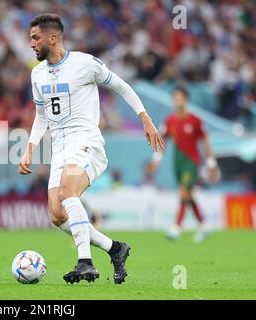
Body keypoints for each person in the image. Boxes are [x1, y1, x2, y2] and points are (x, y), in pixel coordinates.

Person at [18, 14, 164, 284]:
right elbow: (41, 114)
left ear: (53, 38)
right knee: (56, 214)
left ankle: (85, 262)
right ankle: (115, 248)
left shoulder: (84, 64)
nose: (31, 44)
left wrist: (145, 118)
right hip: (59, 146)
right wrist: (30, 148)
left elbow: (121, 85)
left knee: (67, 192)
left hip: (85, 139)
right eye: (30, 38)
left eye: (35, 38)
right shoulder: (36, 73)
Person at [148, 86, 218, 243]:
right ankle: (203, 224)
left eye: (180, 97)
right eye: (175, 98)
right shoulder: (170, 121)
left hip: (192, 162)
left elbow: (205, 142)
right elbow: (161, 141)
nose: (177, 101)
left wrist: (211, 163)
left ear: (186, 100)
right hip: (177, 163)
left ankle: (176, 227)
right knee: (188, 195)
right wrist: (156, 160)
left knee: (183, 191)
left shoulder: (195, 120)